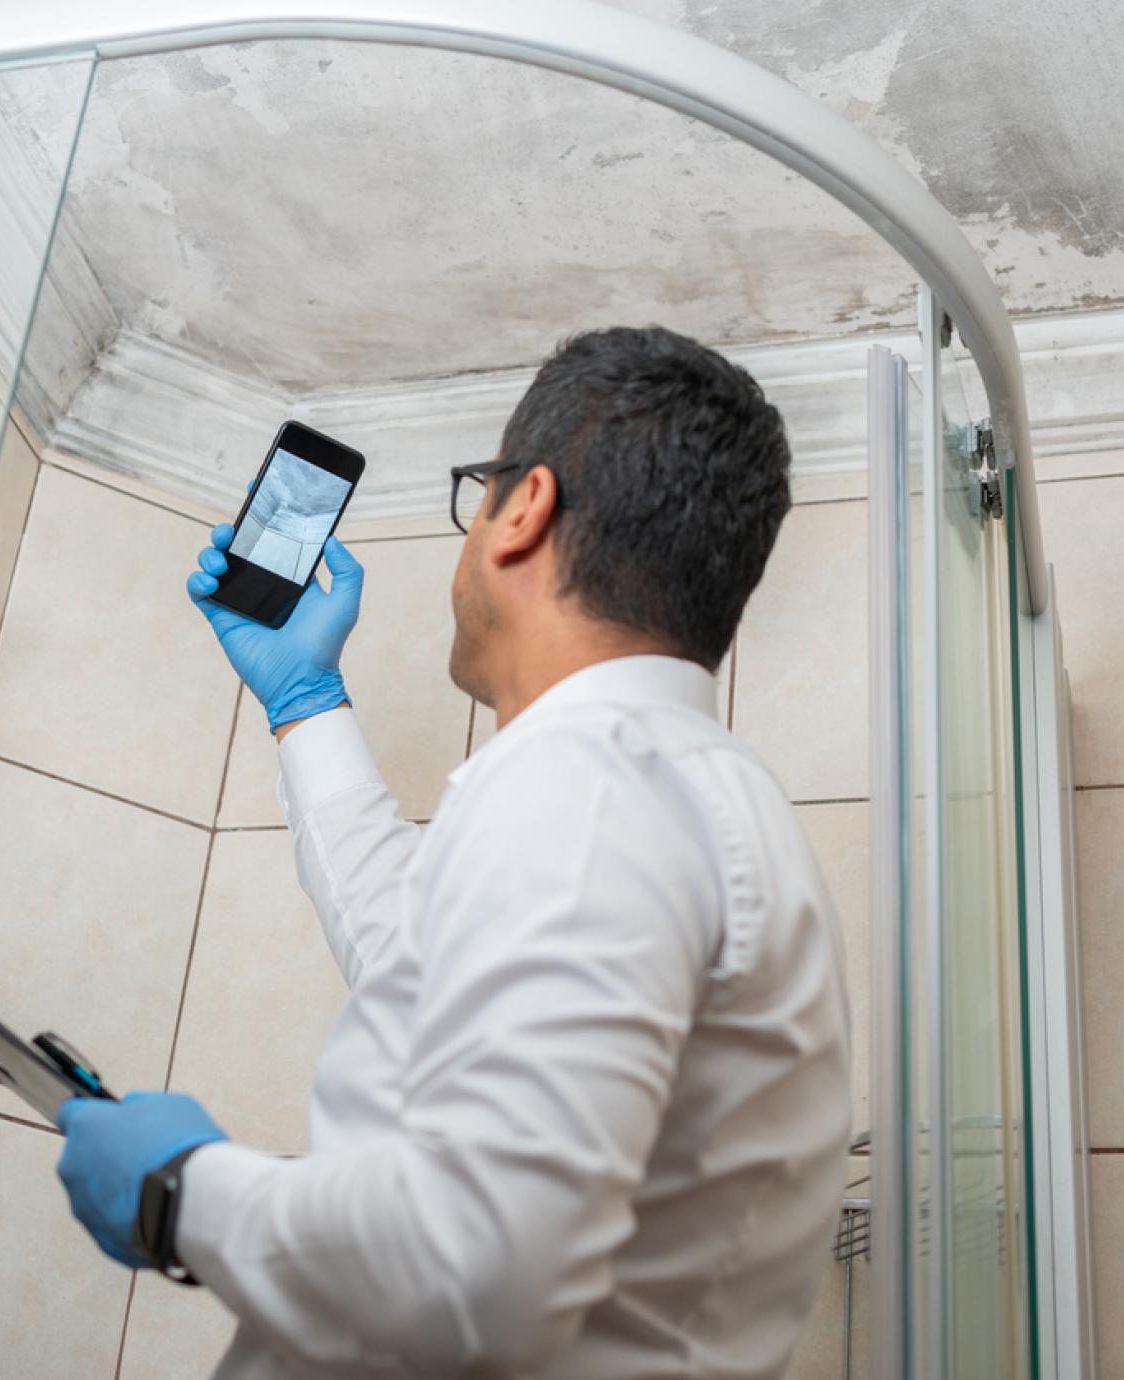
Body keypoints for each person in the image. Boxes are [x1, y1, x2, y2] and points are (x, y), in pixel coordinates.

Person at [56, 325, 851, 1378]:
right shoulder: (669, 790)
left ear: (521, 509)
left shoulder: (596, 782)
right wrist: (306, 704)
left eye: (474, 498)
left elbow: (475, 1267)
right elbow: (414, 965)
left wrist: (182, 1194)